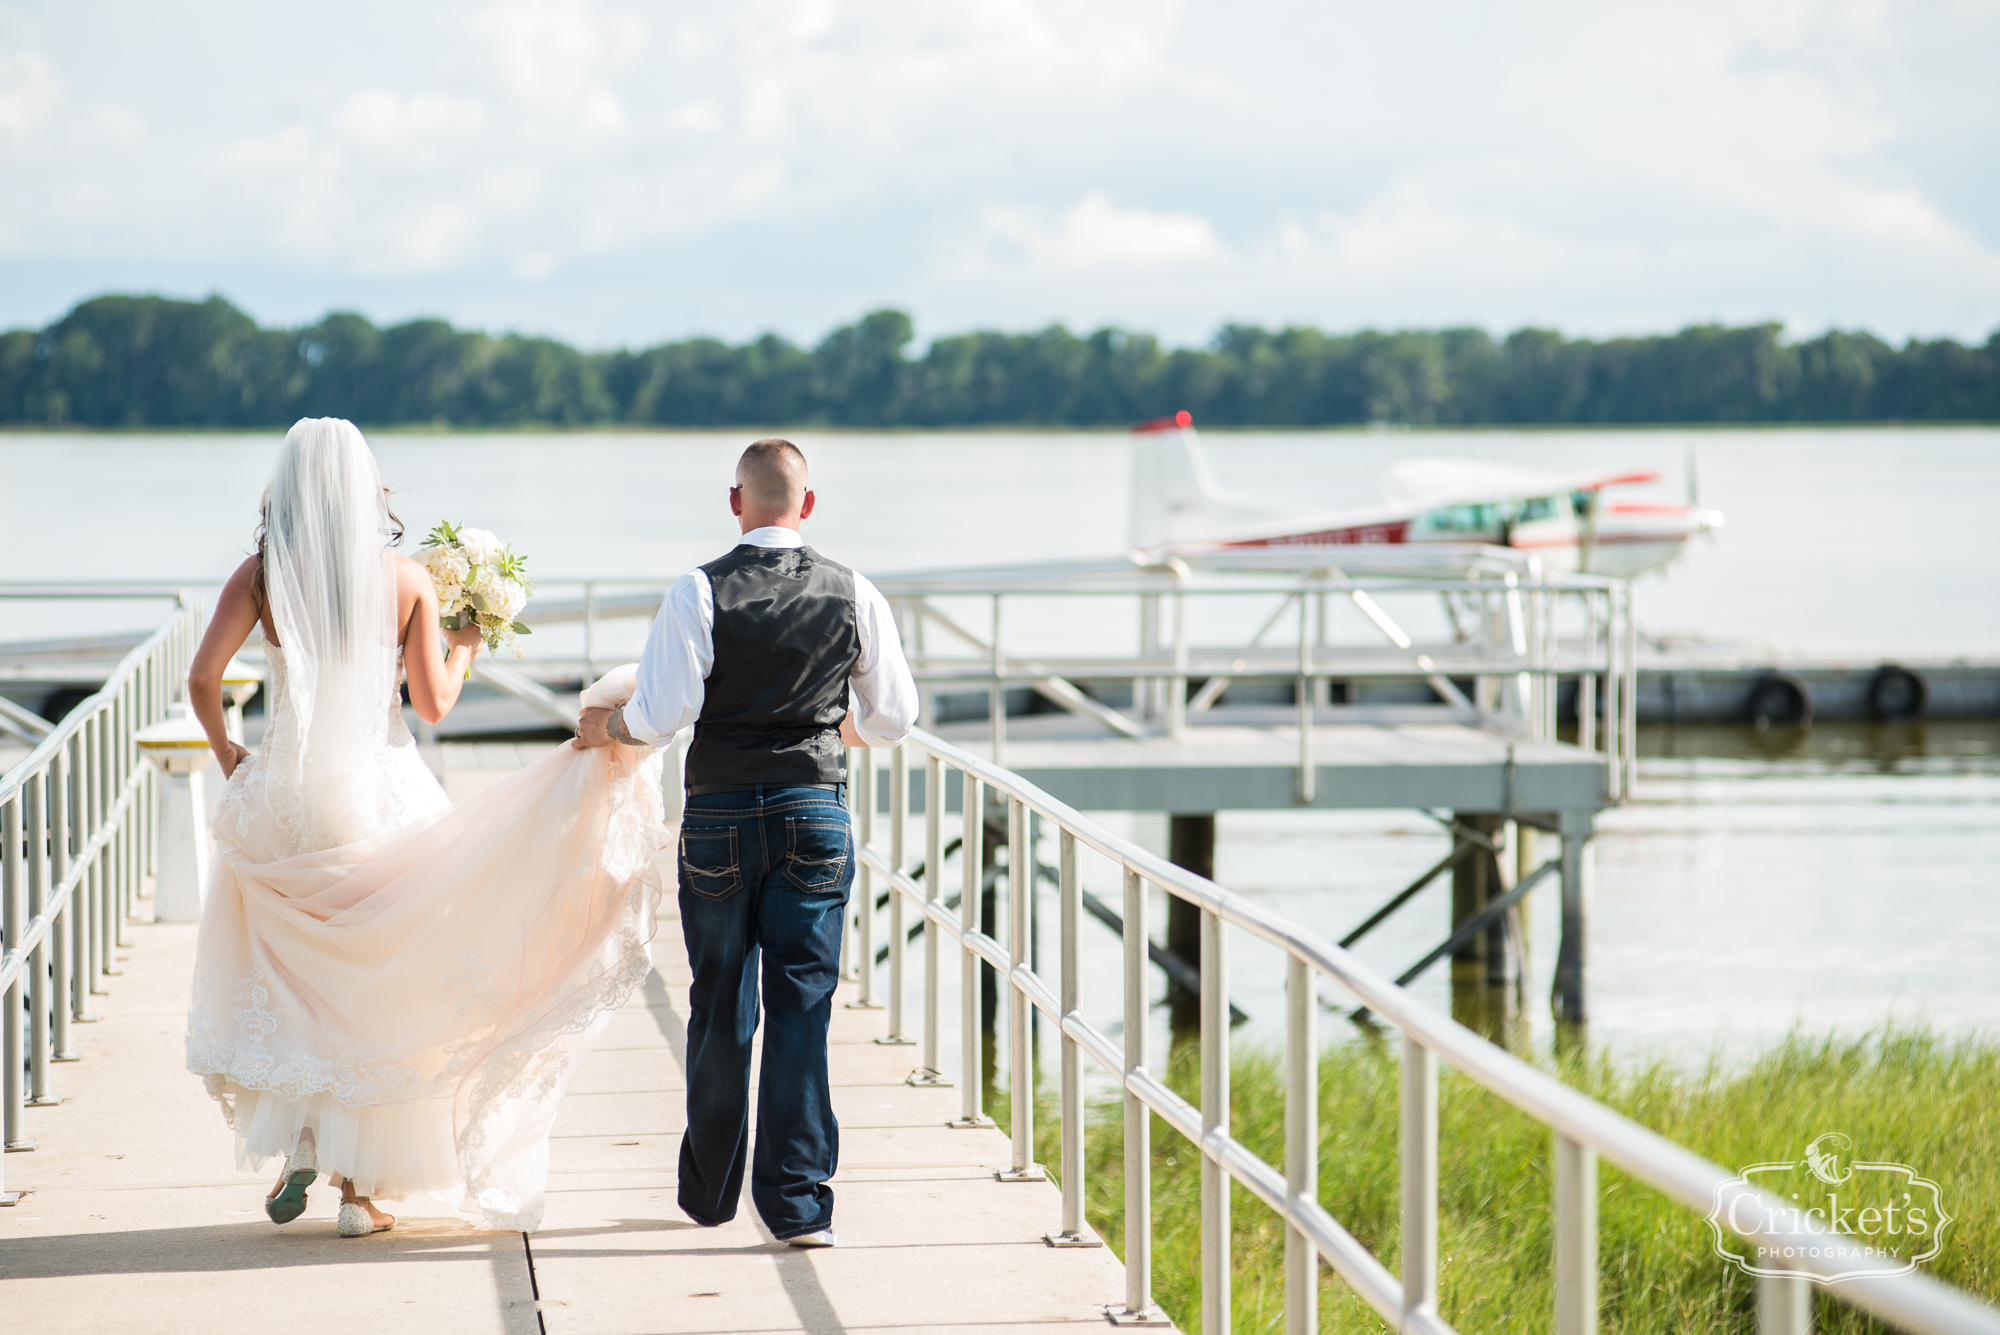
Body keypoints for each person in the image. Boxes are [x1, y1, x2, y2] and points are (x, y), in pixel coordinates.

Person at [185, 417, 668, 1237]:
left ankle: (305, 1137)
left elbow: (201, 676)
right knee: (384, 981)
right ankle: (359, 1193)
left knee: (303, 980)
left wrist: (231, 753)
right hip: (381, 790)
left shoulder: (261, 577)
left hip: (290, 797)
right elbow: (437, 702)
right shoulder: (406, 580)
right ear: (366, 492)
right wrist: (468, 642)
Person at [575, 437, 917, 1248]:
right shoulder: (855, 591)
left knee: (721, 1001)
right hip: (815, 810)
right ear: (807, 504)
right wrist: (838, 728)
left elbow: (660, 714)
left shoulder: (698, 589)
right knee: (803, 1003)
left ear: (736, 502)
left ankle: (710, 1190)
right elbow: (896, 717)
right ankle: (797, 1206)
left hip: (721, 813)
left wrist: (605, 727)